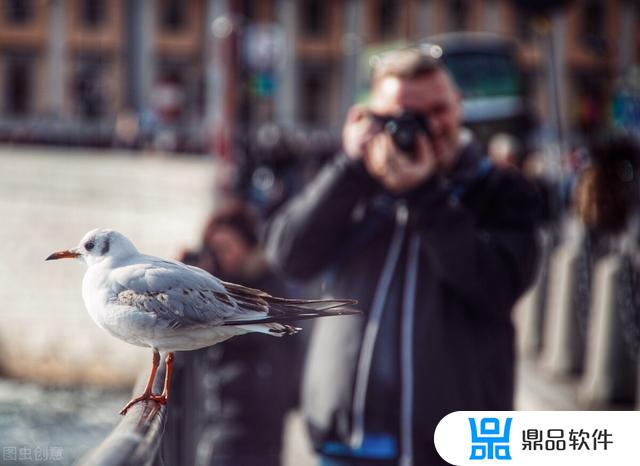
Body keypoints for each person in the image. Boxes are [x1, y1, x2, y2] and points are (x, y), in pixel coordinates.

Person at [265, 48, 540, 465]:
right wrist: (350, 168)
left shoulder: (501, 192)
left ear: (459, 108)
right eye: (405, 115)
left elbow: (497, 286)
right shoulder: (354, 187)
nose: (428, 126)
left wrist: (425, 195)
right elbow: (288, 256)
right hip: (346, 443)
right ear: (372, 118)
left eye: (438, 109)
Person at [161, 201, 300, 466]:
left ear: (249, 249)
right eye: (214, 251)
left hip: (256, 430)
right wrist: (175, 280)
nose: (221, 258)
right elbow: (179, 343)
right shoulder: (210, 296)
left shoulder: (267, 289)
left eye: (226, 249)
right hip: (219, 427)